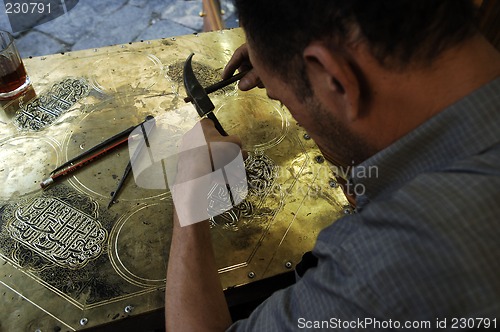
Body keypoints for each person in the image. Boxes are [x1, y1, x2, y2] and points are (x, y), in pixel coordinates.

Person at [165, 0, 500, 330]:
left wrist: (189, 194)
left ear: (336, 80)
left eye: (285, 102)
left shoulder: (383, 267)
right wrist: (293, 74)